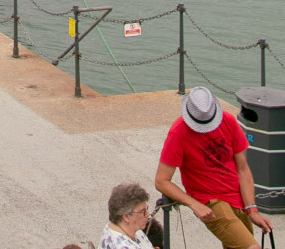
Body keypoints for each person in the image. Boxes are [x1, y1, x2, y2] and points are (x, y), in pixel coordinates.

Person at [156, 87, 272, 249]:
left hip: (237, 199)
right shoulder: (178, 132)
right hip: (211, 202)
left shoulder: (228, 121)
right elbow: (162, 181)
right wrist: (194, 204)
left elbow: (243, 169)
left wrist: (251, 209)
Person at [99, 183, 153, 248]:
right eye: (143, 211)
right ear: (126, 217)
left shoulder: (117, 226)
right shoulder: (123, 246)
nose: (148, 214)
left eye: (146, 209)